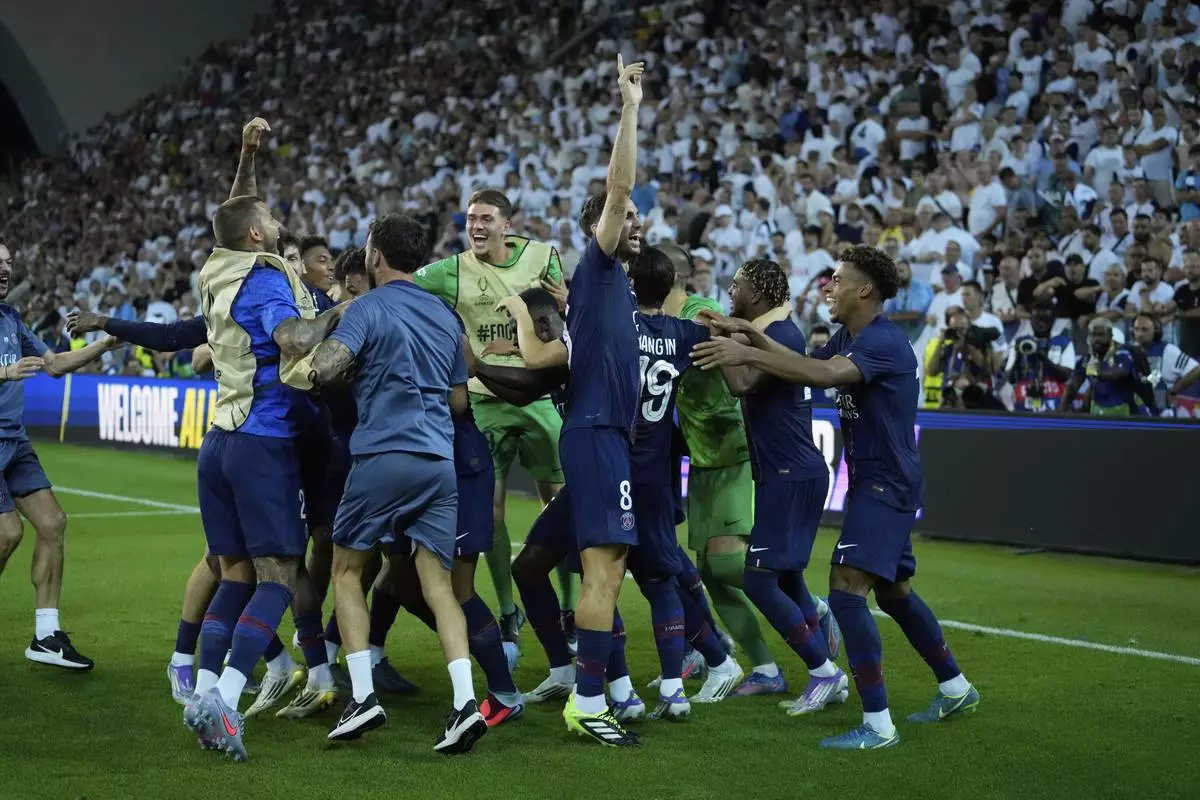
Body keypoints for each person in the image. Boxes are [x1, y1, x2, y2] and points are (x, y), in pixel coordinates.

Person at [691, 244, 978, 750]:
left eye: (837, 279)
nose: (828, 286)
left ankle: (878, 724)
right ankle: (955, 687)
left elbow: (821, 376)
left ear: (864, 289)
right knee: (894, 593)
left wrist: (746, 349)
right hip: (875, 478)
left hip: (886, 481)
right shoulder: (852, 335)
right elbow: (799, 361)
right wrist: (744, 331)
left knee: (846, 588)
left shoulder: (885, 342)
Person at [308, 213, 487, 753]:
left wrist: (339, 359)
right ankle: (463, 705)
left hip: (384, 454)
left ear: (376, 257)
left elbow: (324, 370)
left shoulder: (365, 308)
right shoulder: (443, 313)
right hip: (439, 460)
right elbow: (460, 398)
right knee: (440, 586)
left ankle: (362, 696)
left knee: (346, 570)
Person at [183, 192, 348, 761]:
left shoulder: (216, 271)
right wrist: (342, 312)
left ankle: (203, 695)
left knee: (235, 576)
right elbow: (292, 340)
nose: (279, 225)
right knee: (277, 576)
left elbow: (230, 209)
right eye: (270, 220)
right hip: (264, 441)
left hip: (220, 439)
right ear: (256, 235)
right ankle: (226, 700)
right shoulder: (266, 278)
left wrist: (249, 150)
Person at [689, 258, 847, 717]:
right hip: (787, 471)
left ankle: (823, 672)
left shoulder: (781, 335)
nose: (731, 290)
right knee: (785, 576)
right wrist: (730, 329)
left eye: (736, 285)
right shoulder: (776, 330)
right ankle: (824, 660)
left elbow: (740, 383)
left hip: (789, 473)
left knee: (758, 580)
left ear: (756, 291)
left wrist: (718, 339)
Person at [415, 188, 568, 652]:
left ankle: (570, 606)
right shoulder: (451, 271)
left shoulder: (543, 257)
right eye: (470, 219)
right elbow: (401, 287)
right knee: (492, 510)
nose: (476, 226)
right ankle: (507, 611)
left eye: (485, 218)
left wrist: (564, 306)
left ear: (507, 223)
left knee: (560, 506)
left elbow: (562, 317)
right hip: (484, 399)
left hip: (541, 395)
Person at [659, 241, 793, 698]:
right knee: (714, 576)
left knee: (730, 563)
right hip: (701, 457)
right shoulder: (655, 322)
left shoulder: (703, 311)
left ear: (667, 277)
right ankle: (766, 668)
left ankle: (807, 606)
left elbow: (728, 358)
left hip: (732, 449)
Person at [557, 54, 645, 747]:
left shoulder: (617, 289)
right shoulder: (600, 262)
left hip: (603, 434)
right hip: (594, 432)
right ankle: (589, 701)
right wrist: (630, 107)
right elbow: (617, 189)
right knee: (604, 571)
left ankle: (600, 693)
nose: (636, 220)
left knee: (605, 572)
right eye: (626, 215)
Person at [0, 240, 123, 669]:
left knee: (52, 522)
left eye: (8, 262)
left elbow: (52, 364)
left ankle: (46, 635)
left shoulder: (11, 319)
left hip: (14, 441)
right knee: (8, 533)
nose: (4, 269)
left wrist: (103, 347)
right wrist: (4, 371)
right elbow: (13, 370)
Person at [1005, 301, 1076, 413]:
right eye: (1037, 319)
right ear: (1030, 319)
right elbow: (1011, 379)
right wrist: (1018, 357)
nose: (1041, 324)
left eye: (1046, 320)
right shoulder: (1019, 342)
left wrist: (1044, 358)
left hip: (1054, 403)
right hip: (1023, 401)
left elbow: (1066, 376)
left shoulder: (1064, 342)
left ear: (1053, 319)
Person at [1065, 317, 1141, 416]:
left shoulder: (1122, 354)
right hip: (1097, 412)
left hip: (1124, 412)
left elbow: (1119, 372)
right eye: (1093, 335)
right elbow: (1073, 386)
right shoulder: (1086, 359)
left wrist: (1098, 372)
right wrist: (1063, 408)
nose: (1097, 339)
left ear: (1110, 335)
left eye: (1101, 335)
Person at [1130, 313, 1200, 414]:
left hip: (1161, 412)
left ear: (1156, 330)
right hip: (1137, 410)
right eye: (1136, 329)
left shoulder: (1168, 350)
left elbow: (1196, 369)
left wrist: (1173, 391)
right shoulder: (1130, 350)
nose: (1140, 334)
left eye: (1145, 330)